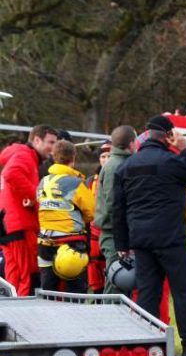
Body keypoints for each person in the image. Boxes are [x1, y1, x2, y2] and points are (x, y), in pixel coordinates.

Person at [113, 115, 186, 356]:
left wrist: (122, 245)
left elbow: (118, 210)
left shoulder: (126, 168)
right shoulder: (172, 161)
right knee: (183, 293)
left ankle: (148, 348)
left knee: (148, 294)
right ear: (168, 136)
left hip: (141, 241)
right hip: (171, 239)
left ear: (146, 135)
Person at [0, 124, 59, 295]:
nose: (53, 147)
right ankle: (21, 318)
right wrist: (35, 197)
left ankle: (10, 315)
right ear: (36, 140)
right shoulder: (25, 156)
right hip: (20, 226)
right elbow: (11, 174)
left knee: (14, 277)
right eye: (51, 142)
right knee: (26, 278)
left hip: (10, 225)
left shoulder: (20, 155)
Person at [36, 140, 96, 292]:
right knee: (75, 293)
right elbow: (91, 212)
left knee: (48, 291)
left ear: (54, 157)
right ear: (73, 158)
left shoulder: (43, 182)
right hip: (71, 243)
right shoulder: (76, 183)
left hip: (45, 243)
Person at [96, 125, 138, 288]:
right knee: (117, 281)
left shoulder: (116, 163)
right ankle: (109, 314)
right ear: (131, 143)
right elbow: (114, 204)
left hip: (114, 232)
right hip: (113, 234)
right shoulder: (117, 166)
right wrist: (122, 239)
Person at [87, 142, 112, 293]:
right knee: (94, 271)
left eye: (109, 156)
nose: (106, 159)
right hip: (94, 232)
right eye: (103, 156)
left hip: (110, 231)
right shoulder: (90, 181)